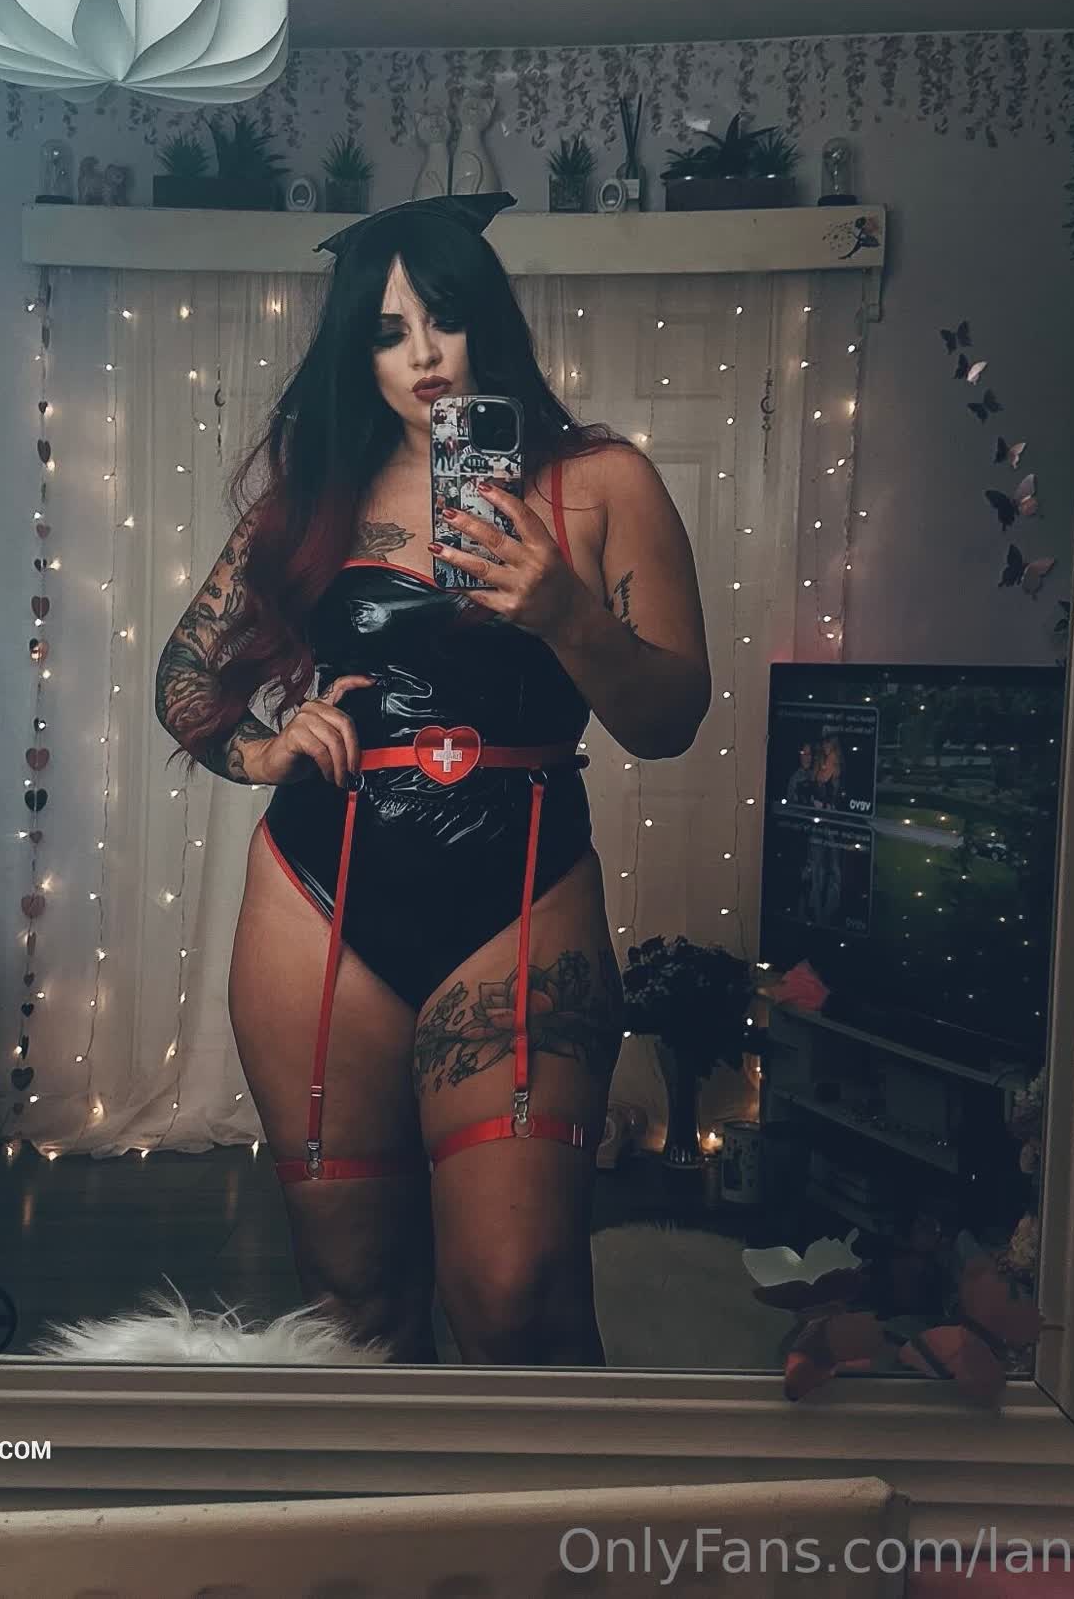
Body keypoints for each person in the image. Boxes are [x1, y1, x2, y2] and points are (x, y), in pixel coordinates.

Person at [155, 192, 710, 1366]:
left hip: (520, 887)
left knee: (516, 1294)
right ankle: (397, 1495)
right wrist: (265, 748)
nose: (422, 353)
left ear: (487, 321)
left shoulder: (603, 480)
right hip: (319, 896)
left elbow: (668, 719)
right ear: (354, 354)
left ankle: (552, 1494)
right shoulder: (314, 501)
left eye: (443, 317)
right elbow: (186, 676)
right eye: (386, 330)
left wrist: (565, 613)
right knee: (355, 1299)